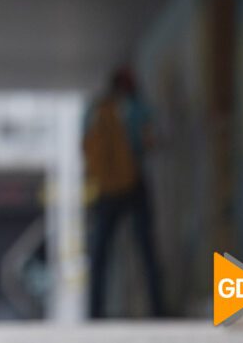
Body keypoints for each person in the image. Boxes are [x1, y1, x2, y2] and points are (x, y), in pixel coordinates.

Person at [83, 66, 165, 318]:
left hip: (106, 190)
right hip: (133, 185)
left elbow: (84, 146)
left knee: (100, 254)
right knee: (147, 250)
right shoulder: (137, 108)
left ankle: (95, 311)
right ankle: (157, 309)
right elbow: (151, 141)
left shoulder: (95, 110)